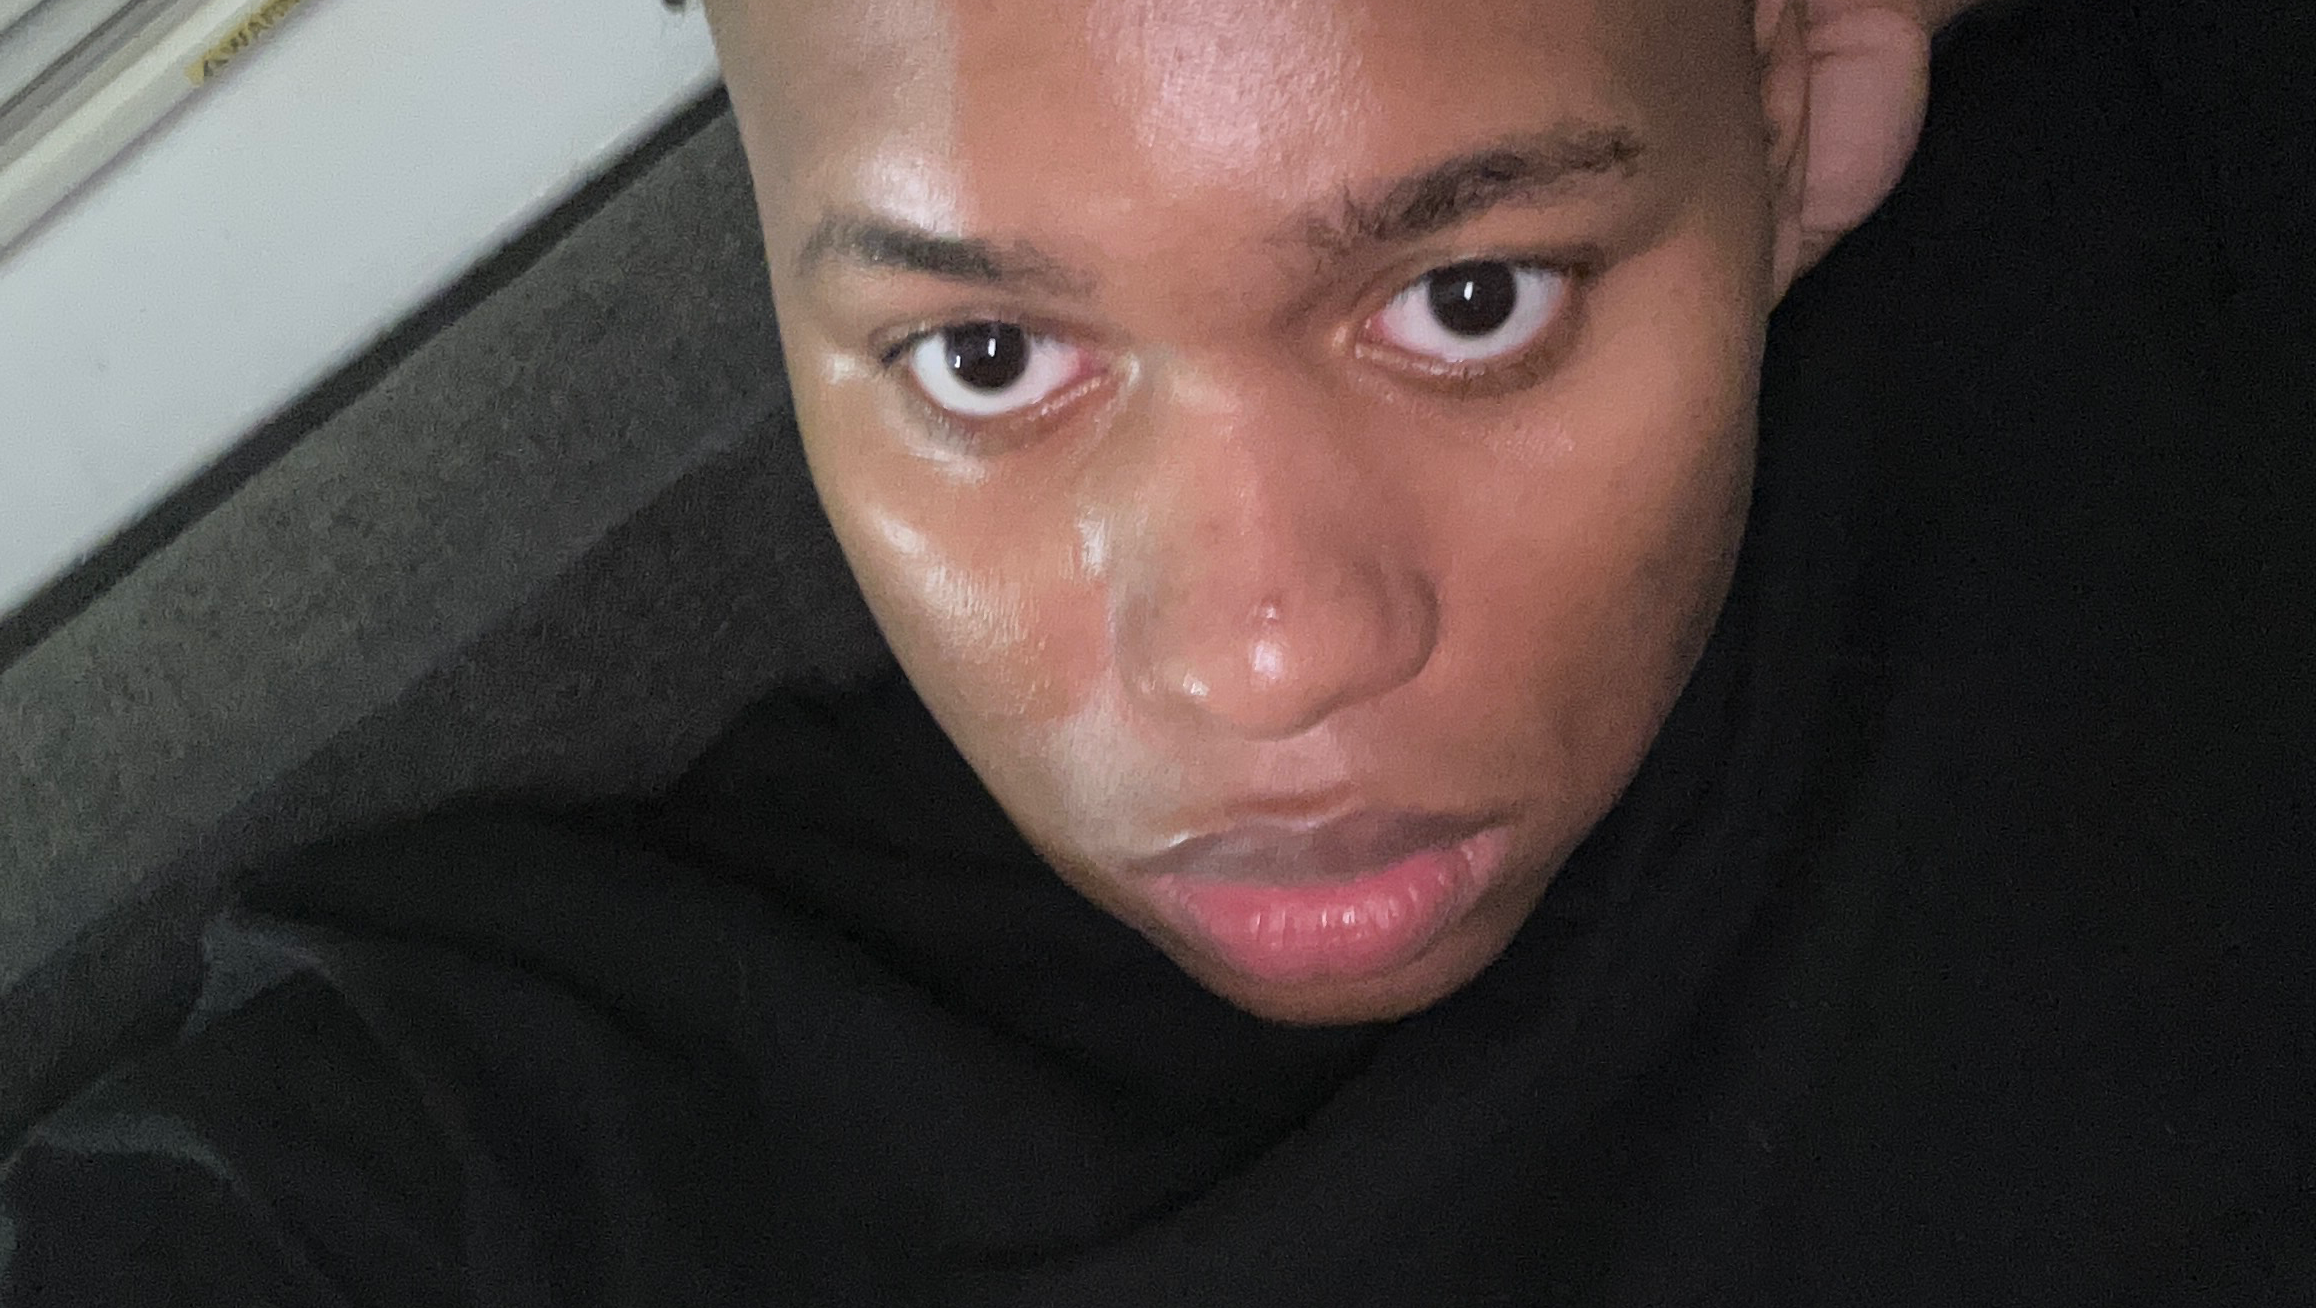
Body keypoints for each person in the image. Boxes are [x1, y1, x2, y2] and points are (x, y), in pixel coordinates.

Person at [4, 0, 2310, 1302]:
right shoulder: (496, 1159)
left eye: (1469, 299)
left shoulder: (2181, 324)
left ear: (1807, 109)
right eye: (988, 358)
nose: (1265, 659)